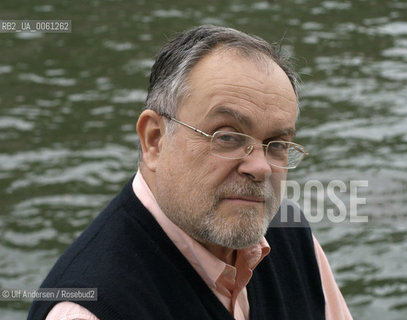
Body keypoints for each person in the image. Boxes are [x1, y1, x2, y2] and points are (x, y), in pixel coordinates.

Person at [28, 25, 352, 320]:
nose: (260, 167)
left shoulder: (291, 235)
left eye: (277, 143)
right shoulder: (93, 309)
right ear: (154, 140)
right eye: (227, 136)